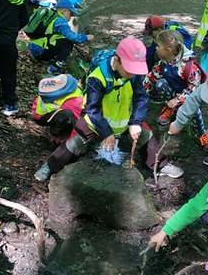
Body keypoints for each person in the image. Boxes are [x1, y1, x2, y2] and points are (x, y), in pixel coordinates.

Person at [34, 36, 184, 182]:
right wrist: (107, 133)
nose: (132, 73)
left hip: (124, 116)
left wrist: (135, 122)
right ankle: (50, 166)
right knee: (76, 142)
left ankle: (160, 165)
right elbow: (93, 109)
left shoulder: (134, 74)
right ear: (117, 60)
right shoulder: (98, 77)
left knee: (146, 136)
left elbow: (142, 97)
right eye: (129, 69)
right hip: (97, 120)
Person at [143, 30, 208, 148]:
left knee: (195, 111)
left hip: (189, 96)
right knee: (160, 84)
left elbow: (194, 90)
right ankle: (170, 109)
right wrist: (140, 93)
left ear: (168, 49)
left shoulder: (189, 66)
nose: (156, 48)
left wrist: (177, 100)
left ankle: (201, 135)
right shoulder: (163, 62)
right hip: (173, 93)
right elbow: (151, 77)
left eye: (158, 46)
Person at [28, 0, 94, 74]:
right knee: (68, 43)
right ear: (64, 11)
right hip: (40, 52)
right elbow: (73, 37)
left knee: (61, 39)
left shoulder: (51, 16)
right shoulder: (60, 21)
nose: (70, 18)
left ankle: (46, 57)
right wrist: (87, 37)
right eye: (71, 14)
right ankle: (55, 68)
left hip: (33, 48)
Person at [32, 74, 84, 145]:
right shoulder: (76, 100)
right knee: (68, 117)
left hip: (39, 107)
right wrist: (71, 143)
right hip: (40, 115)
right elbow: (77, 125)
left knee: (67, 117)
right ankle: (55, 135)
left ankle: (57, 126)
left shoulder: (75, 84)